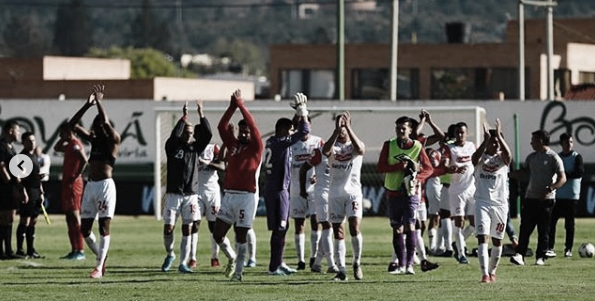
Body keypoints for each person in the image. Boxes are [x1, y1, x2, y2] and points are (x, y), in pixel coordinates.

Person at [68, 84, 121, 278]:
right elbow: (71, 125)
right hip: (91, 186)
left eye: (98, 125)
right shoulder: (94, 139)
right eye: (95, 126)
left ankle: (99, 267)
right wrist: (87, 106)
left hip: (106, 186)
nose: (96, 128)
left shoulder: (114, 140)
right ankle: (102, 256)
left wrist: (99, 101)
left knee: (103, 226)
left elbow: (106, 123)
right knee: (85, 229)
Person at [212, 89, 264, 282]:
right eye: (242, 130)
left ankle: (239, 273)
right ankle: (232, 258)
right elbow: (221, 126)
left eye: (246, 130)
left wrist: (241, 105)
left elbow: (252, 125)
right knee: (217, 234)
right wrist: (232, 106)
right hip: (229, 196)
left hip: (246, 197)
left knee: (240, 235)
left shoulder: (256, 148)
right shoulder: (233, 145)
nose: (244, 132)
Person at [377, 116, 434, 275]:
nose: (400, 131)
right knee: (397, 229)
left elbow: (428, 169)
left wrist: (417, 179)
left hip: (410, 193)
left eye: (403, 128)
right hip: (393, 191)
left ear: (410, 130)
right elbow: (381, 167)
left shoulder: (417, 146)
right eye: (398, 128)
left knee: (410, 227)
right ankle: (401, 265)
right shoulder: (389, 145)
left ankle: (409, 265)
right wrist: (398, 166)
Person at [160, 100, 213, 273]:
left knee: (187, 227)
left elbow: (208, 134)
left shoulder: (195, 148)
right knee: (168, 228)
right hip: (173, 194)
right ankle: (170, 254)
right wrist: (183, 117)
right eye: (186, 132)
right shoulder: (171, 147)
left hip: (190, 194)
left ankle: (183, 263)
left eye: (191, 133)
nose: (189, 135)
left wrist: (201, 114)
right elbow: (174, 136)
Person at [264, 93, 310, 275]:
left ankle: (279, 262)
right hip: (278, 190)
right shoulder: (282, 142)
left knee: (282, 227)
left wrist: (296, 116)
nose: (292, 132)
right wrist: (303, 112)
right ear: (283, 131)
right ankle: (273, 267)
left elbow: (292, 128)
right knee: (279, 228)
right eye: (290, 130)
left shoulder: (274, 141)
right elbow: (304, 131)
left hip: (277, 188)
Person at [510, 129, 566, 266]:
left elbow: (562, 178)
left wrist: (550, 189)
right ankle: (520, 255)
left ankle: (540, 256)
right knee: (525, 229)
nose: (531, 142)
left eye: (533, 139)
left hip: (546, 200)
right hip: (530, 198)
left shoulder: (553, 158)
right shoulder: (531, 157)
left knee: (543, 229)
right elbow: (525, 173)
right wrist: (508, 174)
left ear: (541, 140)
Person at [322, 112, 365, 281]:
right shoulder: (332, 145)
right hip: (334, 194)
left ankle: (356, 262)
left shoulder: (355, 144)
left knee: (354, 228)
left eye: (344, 123)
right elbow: (325, 151)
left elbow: (361, 149)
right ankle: (342, 271)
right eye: (339, 123)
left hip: (353, 193)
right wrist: (336, 130)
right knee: (338, 232)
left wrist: (348, 127)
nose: (342, 127)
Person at [471, 119, 511, 283]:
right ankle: (484, 274)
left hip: (500, 204)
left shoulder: (503, 159)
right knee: (482, 237)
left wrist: (499, 135)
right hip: (482, 203)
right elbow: (474, 159)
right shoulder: (481, 158)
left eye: (497, 143)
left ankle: (492, 271)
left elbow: (509, 156)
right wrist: (486, 139)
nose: (495, 145)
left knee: (498, 240)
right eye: (492, 142)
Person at [300, 138, 339, 274]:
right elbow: (303, 168)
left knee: (332, 227)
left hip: (335, 193)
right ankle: (331, 264)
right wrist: (302, 189)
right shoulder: (318, 152)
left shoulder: (341, 152)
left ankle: (317, 262)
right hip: (321, 193)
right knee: (327, 226)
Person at [289, 114, 323, 271]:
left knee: (316, 223)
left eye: (305, 124)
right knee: (299, 224)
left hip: (314, 188)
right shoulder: (291, 144)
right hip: (296, 188)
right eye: (299, 125)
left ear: (310, 125)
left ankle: (313, 256)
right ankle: (300, 260)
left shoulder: (317, 142)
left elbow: (325, 162)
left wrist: (318, 174)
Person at [189, 142, 229, 269]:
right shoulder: (192, 147)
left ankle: (214, 256)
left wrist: (208, 163)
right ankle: (192, 258)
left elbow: (223, 166)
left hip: (212, 192)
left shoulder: (213, 148)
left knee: (214, 226)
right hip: (196, 191)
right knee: (194, 224)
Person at [442, 121, 477, 264]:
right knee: (459, 221)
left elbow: (477, 161)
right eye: (457, 133)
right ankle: (462, 254)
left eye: (462, 132)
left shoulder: (472, 146)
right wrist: (454, 169)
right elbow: (444, 167)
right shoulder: (449, 148)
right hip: (456, 190)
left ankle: (457, 243)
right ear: (454, 134)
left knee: (475, 224)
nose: (460, 135)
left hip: (471, 188)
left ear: (467, 133)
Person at [546, 133, 583, 258]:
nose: (569, 144)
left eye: (571, 142)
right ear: (561, 144)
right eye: (567, 142)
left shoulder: (577, 157)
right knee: (552, 223)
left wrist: (563, 175)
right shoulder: (558, 157)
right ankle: (550, 247)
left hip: (571, 196)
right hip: (558, 195)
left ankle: (568, 249)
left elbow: (579, 172)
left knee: (569, 224)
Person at [54, 123, 88, 260]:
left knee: (74, 215)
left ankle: (80, 250)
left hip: (74, 184)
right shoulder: (69, 144)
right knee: (69, 217)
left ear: (67, 131)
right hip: (67, 183)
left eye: (61, 133)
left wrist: (76, 175)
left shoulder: (75, 144)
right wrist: (64, 138)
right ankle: (74, 249)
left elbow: (84, 160)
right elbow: (56, 147)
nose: (60, 136)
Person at [14, 132, 44, 259]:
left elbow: (35, 175)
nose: (32, 143)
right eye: (29, 141)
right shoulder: (22, 157)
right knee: (25, 220)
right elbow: (18, 176)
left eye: (33, 140)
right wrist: (22, 191)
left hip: (36, 190)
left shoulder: (34, 156)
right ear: (23, 143)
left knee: (33, 221)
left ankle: (31, 249)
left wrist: (41, 191)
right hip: (27, 190)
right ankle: (20, 250)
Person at [0, 120, 25, 260]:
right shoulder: (2, 146)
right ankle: (2, 251)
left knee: (9, 218)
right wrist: (11, 184)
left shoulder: (12, 148)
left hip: (10, 188)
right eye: (17, 130)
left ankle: (8, 250)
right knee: (3, 217)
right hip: (4, 188)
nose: (19, 133)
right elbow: (2, 167)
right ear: (10, 131)